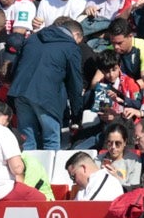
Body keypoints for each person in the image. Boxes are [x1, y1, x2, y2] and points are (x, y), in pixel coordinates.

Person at [8, 17, 86, 150]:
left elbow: (15, 67)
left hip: (20, 92)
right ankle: (49, 171)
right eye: (79, 41)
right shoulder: (71, 46)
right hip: (47, 98)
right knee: (51, 140)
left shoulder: (33, 38)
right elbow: (75, 84)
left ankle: (29, 170)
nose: (78, 44)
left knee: (27, 140)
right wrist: (77, 114)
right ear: (76, 35)